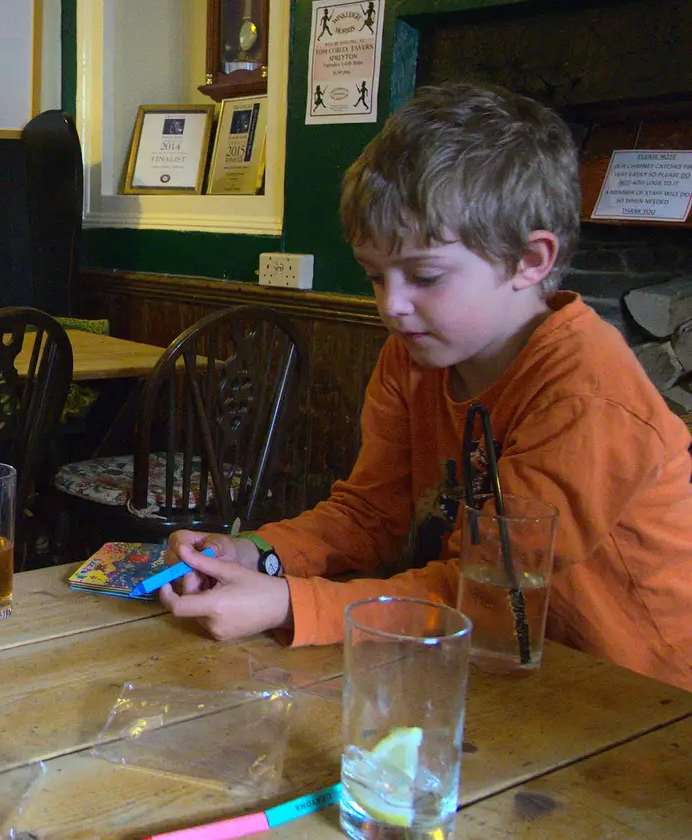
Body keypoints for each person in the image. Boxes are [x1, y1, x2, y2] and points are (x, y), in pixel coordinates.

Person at [158, 83, 692, 691]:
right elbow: (370, 512)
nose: (393, 306)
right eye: (374, 278)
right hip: (496, 668)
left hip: (637, 696)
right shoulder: (413, 358)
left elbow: (490, 590)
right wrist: (255, 553)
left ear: (531, 260)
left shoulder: (586, 395)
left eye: (425, 276)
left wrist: (287, 604)